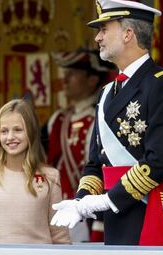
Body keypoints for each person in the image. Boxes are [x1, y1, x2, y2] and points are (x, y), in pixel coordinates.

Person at [51, 0, 163, 246]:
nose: (98, 38)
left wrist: (106, 201)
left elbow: (158, 161)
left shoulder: (162, 83)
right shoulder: (106, 93)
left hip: (151, 213)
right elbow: (96, 163)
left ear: (128, 34)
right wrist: (81, 200)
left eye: (104, 29)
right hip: (117, 221)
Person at [0, 99, 70, 244]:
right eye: (4, 131)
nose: (10, 137)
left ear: (31, 132)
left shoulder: (51, 176)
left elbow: (60, 237)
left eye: (18, 130)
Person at [44, 49, 114, 242]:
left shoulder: (99, 118)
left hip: (87, 212)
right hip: (59, 210)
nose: (64, 80)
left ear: (92, 80)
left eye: (72, 74)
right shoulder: (57, 119)